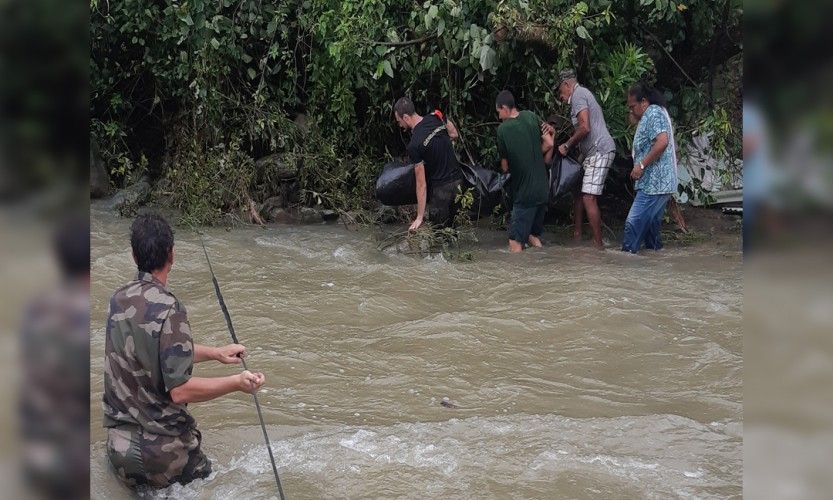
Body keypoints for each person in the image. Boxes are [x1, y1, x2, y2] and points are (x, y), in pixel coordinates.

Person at [103, 213, 266, 489]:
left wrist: (215, 353)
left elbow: (151, 352)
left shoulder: (118, 300)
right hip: (162, 457)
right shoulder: (169, 307)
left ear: (133, 255)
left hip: (119, 451)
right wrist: (237, 383)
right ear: (172, 255)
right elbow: (180, 390)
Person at [555, 69, 616, 249]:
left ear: (567, 85)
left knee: (589, 197)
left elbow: (585, 127)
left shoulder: (578, 95)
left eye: (560, 91)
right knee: (578, 192)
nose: (560, 96)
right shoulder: (581, 95)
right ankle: (578, 235)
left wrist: (567, 145)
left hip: (599, 149)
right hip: (591, 152)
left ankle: (598, 247)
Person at [622, 83, 679, 253]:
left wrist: (641, 165)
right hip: (659, 183)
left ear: (644, 102)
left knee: (633, 222)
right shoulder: (653, 113)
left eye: (633, 106)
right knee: (651, 229)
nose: (631, 110)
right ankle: (655, 262)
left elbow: (662, 141)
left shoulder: (653, 112)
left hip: (654, 183)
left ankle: (625, 263)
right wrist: (634, 114)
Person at [393, 97, 463, 230]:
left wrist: (419, 217)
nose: (400, 125)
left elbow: (421, 184)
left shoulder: (414, 145)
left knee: (438, 239)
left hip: (442, 192)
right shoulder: (435, 117)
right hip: (459, 184)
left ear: (406, 117)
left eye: (399, 121)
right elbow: (454, 134)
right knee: (453, 231)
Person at [495, 90, 550, 253]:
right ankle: (543, 265)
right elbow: (548, 142)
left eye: (499, 112)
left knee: (514, 242)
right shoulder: (531, 116)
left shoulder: (503, 130)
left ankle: (519, 278)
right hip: (543, 190)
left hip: (525, 194)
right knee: (532, 236)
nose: (499, 117)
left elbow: (505, 167)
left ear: (504, 108)